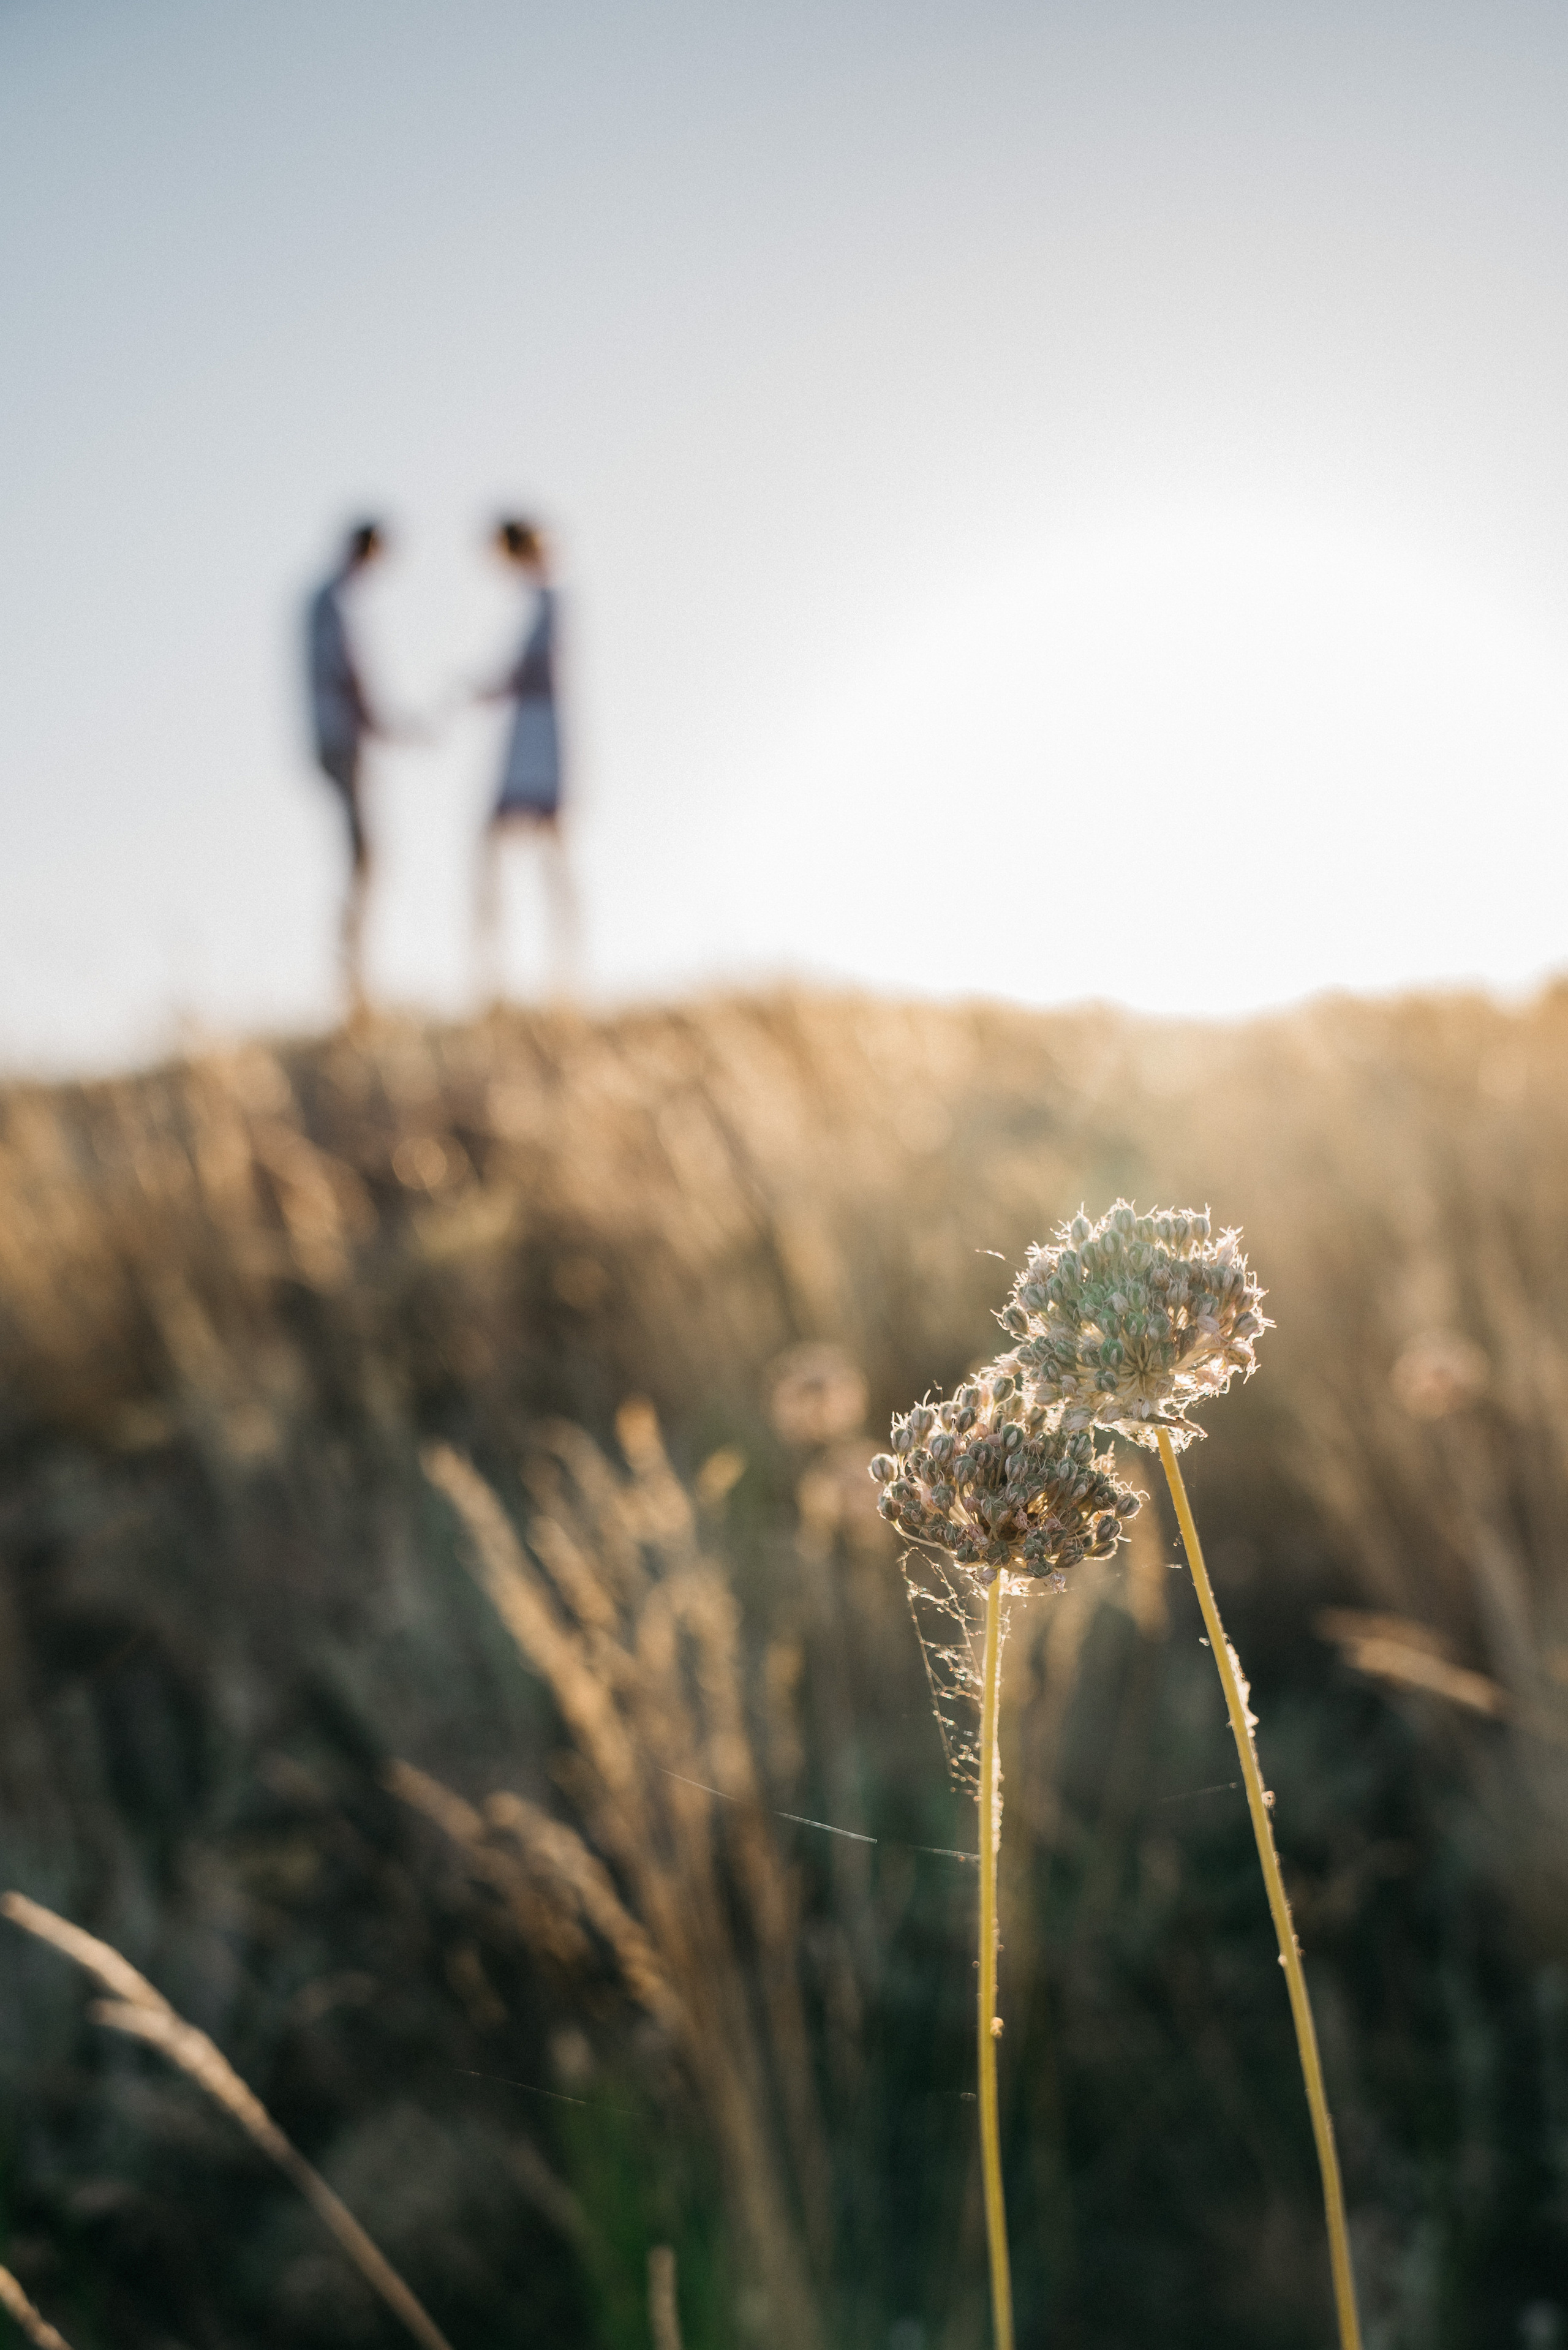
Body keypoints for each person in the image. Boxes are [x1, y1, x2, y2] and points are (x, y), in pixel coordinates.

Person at [475, 517, 579, 1000]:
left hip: (537, 738)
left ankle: (557, 972)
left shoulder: (548, 600)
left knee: (539, 851)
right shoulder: (543, 601)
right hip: (532, 734)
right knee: (542, 852)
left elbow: (535, 670)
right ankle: (513, 973)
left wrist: (495, 686)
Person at [305, 520, 386, 1011]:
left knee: (360, 856)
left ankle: (353, 974)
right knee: (363, 857)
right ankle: (352, 979)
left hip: (332, 738)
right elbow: (348, 676)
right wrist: (384, 722)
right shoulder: (333, 603)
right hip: (341, 740)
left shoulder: (323, 601)